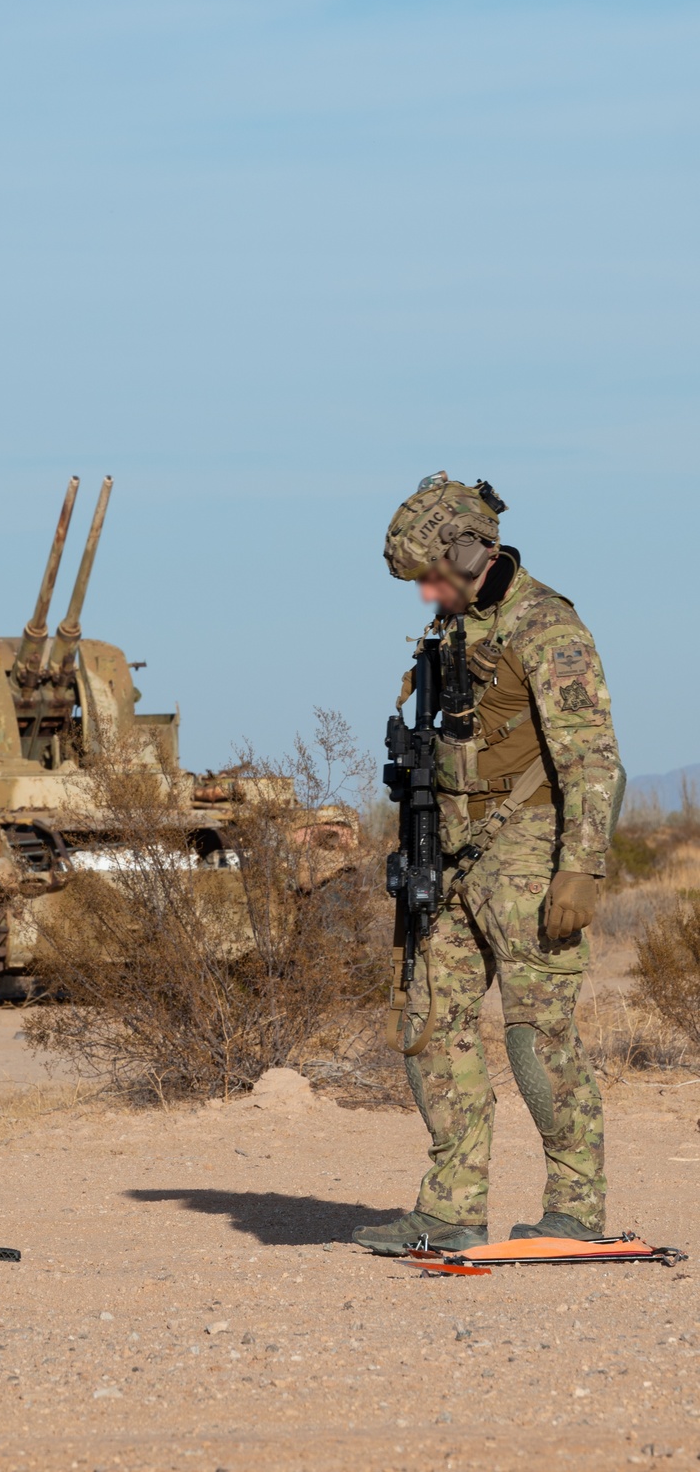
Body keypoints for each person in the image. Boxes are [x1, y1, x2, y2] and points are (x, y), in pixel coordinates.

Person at [353, 474, 625, 1254]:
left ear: (470, 552)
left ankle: (576, 1209)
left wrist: (582, 867)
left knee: (537, 1034)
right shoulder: (454, 627)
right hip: (452, 855)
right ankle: (450, 1207)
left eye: (430, 576)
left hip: (531, 851)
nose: (424, 594)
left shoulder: (548, 627)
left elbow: (593, 759)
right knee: (430, 1025)